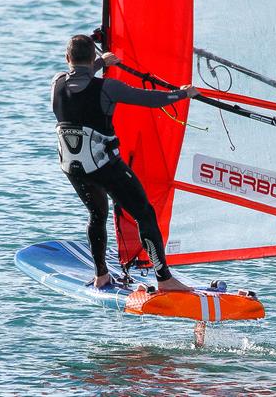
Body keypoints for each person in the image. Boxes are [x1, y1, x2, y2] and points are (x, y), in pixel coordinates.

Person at [51, 32, 198, 291]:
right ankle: (164, 279)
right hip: (105, 167)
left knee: (97, 214)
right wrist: (182, 94)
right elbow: (150, 100)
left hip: (74, 168)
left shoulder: (57, 83)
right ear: (92, 57)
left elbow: (79, 76)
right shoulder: (108, 88)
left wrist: (100, 64)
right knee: (144, 214)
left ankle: (101, 275)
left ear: (67, 59)